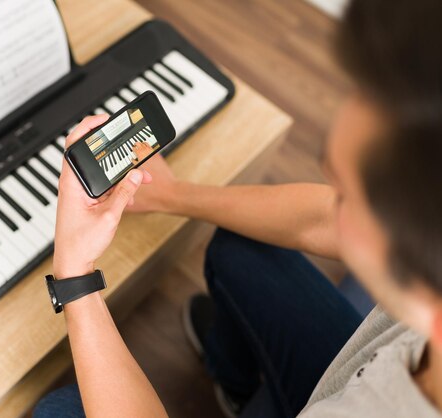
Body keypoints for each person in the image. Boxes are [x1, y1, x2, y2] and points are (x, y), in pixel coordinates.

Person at [33, 0, 442, 416]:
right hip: (356, 370)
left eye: (348, 196)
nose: (327, 182)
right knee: (243, 241)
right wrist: (172, 194)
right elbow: (319, 221)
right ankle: (235, 385)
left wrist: (75, 274)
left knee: (60, 409)